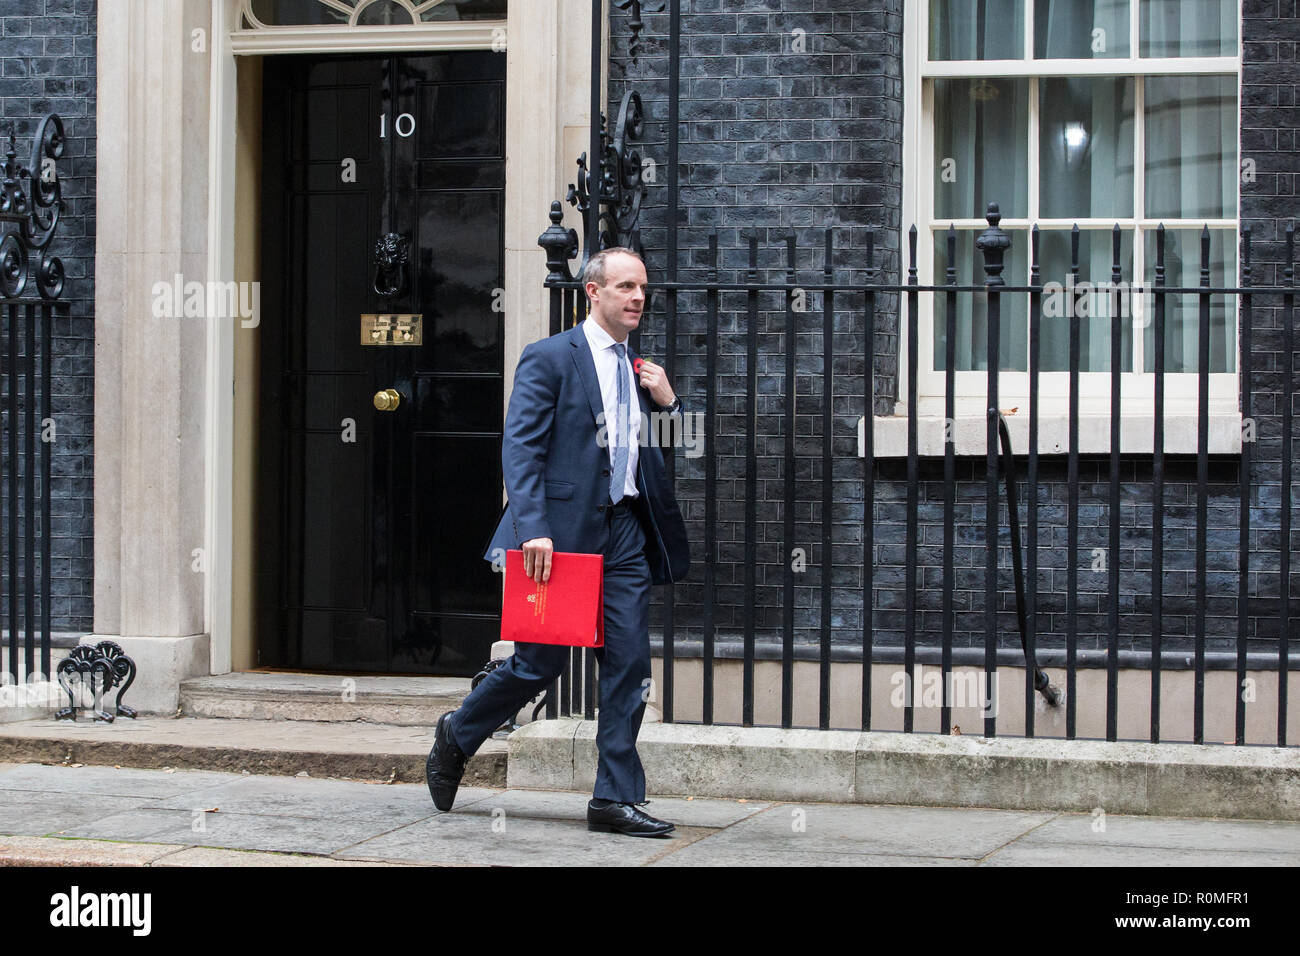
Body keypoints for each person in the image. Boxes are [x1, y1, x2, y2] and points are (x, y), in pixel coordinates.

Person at [426, 246, 690, 837]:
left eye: (642, 288)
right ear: (592, 292)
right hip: (560, 536)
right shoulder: (550, 357)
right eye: (625, 287)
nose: (638, 297)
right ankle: (459, 732)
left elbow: (663, 457)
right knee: (537, 664)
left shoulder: (640, 369)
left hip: (625, 532)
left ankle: (613, 798)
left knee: (628, 663)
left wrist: (671, 405)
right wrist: (534, 526)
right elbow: (521, 449)